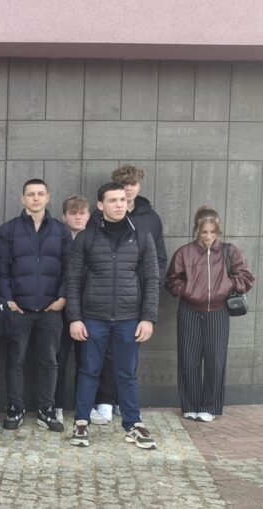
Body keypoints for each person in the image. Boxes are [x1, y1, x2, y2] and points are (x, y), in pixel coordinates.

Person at [67, 182, 159, 450]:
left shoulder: (141, 236)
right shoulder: (86, 238)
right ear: (100, 205)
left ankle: (133, 425)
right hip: (93, 317)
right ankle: (81, 422)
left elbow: (152, 279)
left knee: (126, 374)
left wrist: (148, 318)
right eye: (113, 200)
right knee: (89, 371)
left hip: (129, 318)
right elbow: (72, 280)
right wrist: (75, 318)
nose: (119, 204)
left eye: (122, 200)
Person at [87, 164, 167, 425]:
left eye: (132, 184)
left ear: (139, 186)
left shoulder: (151, 218)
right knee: (104, 354)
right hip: (104, 297)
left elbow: (160, 257)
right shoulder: (98, 217)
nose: (128, 189)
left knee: (129, 353)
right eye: (123, 185)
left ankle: (125, 402)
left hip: (136, 297)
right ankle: (105, 400)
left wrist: (151, 288)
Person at [0, 179, 71, 433]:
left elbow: (70, 269)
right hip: (19, 309)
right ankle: (15, 408)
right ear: (23, 199)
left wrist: (62, 297)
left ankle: (46, 409)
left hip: (51, 309)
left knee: (50, 361)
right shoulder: (8, 230)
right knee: (15, 360)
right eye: (30, 194)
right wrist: (8, 299)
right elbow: (2, 270)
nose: (35, 198)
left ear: (48, 197)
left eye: (40, 194)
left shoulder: (61, 231)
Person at [166, 207, 255, 422]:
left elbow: (246, 278)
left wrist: (225, 285)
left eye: (212, 232)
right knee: (189, 359)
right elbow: (171, 281)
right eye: (204, 232)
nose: (208, 236)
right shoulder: (184, 253)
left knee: (215, 359)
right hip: (189, 311)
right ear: (196, 230)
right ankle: (190, 405)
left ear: (218, 231)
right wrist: (189, 291)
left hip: (218, 311)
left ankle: (210, 407)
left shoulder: (230, 251)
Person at [53, 195, 91, 423]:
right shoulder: (57, 240)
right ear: (64, 217)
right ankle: (56, 405)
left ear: (89, 215)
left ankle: (84, 407)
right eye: (73, 213)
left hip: (89, 309)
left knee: (86, 361)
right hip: (61, 308)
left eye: (82, 213)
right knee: (58, 359)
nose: (78, 217)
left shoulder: (95, 239)